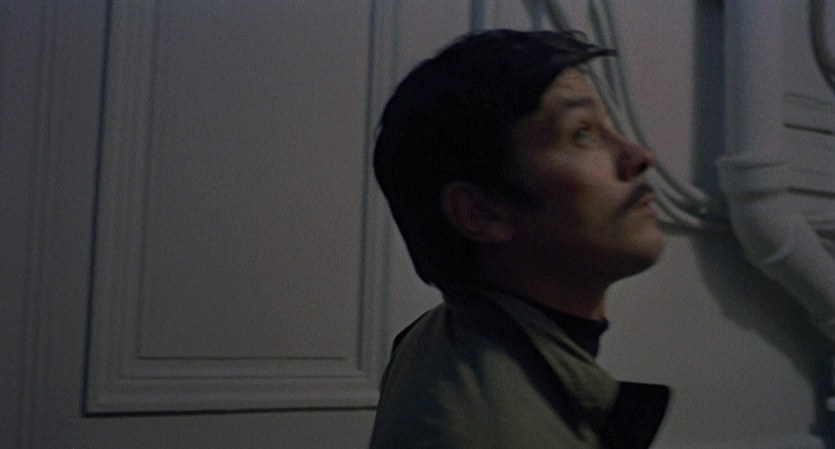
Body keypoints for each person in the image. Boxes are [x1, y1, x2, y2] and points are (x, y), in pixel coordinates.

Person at [370, 29, 670, 449]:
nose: (639, 156)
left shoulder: (442, 337)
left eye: (609, 127)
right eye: (582, 133)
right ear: (482, 213)